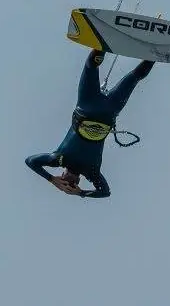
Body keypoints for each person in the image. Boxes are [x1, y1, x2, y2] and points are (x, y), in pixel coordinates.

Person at [25, 49, 154, 198]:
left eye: (65, 183)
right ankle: (149, 53)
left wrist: (61, 183)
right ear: (77, 180)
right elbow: (105, 192)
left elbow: (30, 161)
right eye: (71, 184)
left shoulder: (72, 164)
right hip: (97, 110)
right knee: (112, 72)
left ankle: (110, 43)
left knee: (124, 74)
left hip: (97, 110)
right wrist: (72, 188)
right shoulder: (76, 165)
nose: (67, 182)